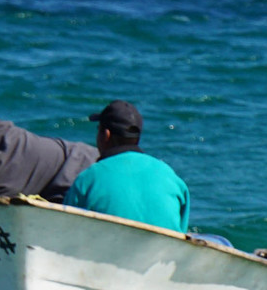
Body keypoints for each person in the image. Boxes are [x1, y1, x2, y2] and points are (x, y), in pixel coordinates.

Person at [62, 100, 189, 233]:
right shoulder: (171, 177)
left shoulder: (88, 179)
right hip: (165, 252)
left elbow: (66, 231)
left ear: (106, 135)